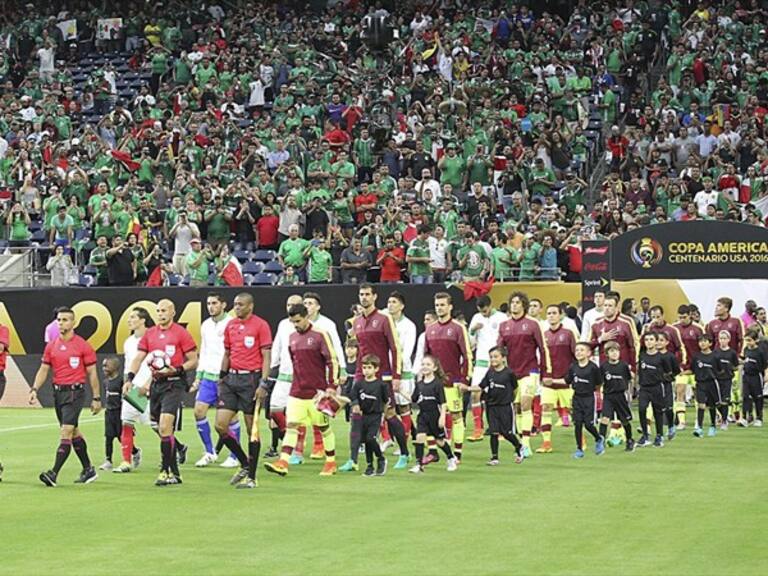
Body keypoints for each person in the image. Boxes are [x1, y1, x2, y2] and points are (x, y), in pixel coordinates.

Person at [125, 299, 198, 486]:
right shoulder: (150, 334)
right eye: (158, 311)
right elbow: (139, 358)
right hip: (156, 384)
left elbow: (193, 360)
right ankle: (174, 472)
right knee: (161, 427)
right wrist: (129, 379)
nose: (160, 314)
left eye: (164, 310)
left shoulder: (181, 333)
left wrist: (176, 369)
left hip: (174, 383)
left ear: (173, 312)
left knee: (165, 426)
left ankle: (165, 471)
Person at [263, 303, 340, 477]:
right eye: (293, 322)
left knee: (323, 428)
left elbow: (332, 361)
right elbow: (294, 361)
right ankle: (283, 462)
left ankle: (331, 462)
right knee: (291, 426)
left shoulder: (321, 335)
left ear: (306, 316)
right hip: (296, 391)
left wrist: (331, 386)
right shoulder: (292, 337)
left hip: (317, 393)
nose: (296, 325)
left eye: (298, 321)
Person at [30, 307, 102, 487]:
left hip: (75, 393)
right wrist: (34, 388)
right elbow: (44, 369)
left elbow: (92, 373)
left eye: (65, 320)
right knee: (74, 432)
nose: (61, 323)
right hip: (58, 393)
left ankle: (53, 474)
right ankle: (88, 470)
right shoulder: (51, 346)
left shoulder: (83, 345)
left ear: (73, 323)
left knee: (66, 432)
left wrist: (96, 398)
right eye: (59, 320)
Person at [348, 284, 410, 469]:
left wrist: (396, 375)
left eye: (367, 294)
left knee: (389, 412)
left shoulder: (384, 319)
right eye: (361, 294)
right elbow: (358, 349)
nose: (364, 297)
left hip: (383, 375)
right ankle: (353, 460)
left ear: (375, 297)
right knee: (356, 413)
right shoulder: (356, 322)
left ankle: (405, 453)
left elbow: (395, 347)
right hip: (361, 374)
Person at [217, 293, 272, 489]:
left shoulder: (261, 325)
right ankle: (245, 463)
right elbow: (227, 353)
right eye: (235, 305)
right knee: (221, 425)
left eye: (240, 305)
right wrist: (221, 377)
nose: (237, 307)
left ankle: (252, 477)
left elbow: (266, 356)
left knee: (252, 429)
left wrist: (263, 383)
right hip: (231, 379)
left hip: (251, 379)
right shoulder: (230, 325)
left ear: (251, 306)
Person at [497, 291, 551, 457]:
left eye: (518, 302)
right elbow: (499, 350)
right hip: (512, 373)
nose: (514, 305)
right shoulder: (504, 326)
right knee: (517, 407)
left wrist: (546, 372)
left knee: (527, 403)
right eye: (512, 302)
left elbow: (543, 348)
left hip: (530, 370)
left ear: (524, 305)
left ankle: (526, 444)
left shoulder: (533, 324)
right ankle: (521, 441)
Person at [190, 293, 239, 468]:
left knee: (229, 418)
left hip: (226, 377)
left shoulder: (232, 323)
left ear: (224, 305)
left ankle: (234, 455)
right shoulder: (205, 325)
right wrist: (198, 375)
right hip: (208, 376)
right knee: (198, 411)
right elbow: (204, 351)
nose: (211, 306)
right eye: (208, 303)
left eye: (214, 303)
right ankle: (210, 452)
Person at [424, 291, 472, 462]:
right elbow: (426, 356)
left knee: (457, 416)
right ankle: (432, 451)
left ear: (450, 307)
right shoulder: (430, 329)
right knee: (428, 416)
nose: (439, 308)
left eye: (443, 305)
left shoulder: (459, 329)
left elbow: (467, 355)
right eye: (437, 305)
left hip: (453, 382)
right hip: (433, 383)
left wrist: (464, 379)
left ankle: (457, 452)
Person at [114, 307, 154, 474]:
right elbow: (128, 365)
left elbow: (159, 363)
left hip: (149, 387)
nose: (129, 320)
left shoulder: (153, 338)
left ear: (143, 320)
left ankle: (176, 449)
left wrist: (149, 383)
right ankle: (126, 461)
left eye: (133, 317)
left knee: (158, 425)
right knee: (126, 422)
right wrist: (126, 383)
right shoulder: (129, 341)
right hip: (133, 387)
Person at [267, 294, 305, 460]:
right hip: (283, 373)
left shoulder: (311, 326)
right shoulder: (283, 324)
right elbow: (277, 346)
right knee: (275, 408)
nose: (290, 307)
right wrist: (271, 367)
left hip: (301, 376)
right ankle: (288, 437)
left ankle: (298, 449)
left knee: (302, 415)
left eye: (294, 304)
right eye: (288, 304)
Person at [474, 346, 524, 466]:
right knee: (494, 432)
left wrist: (510, 400)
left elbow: (515, 389)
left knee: (507, 433)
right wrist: (467, 388)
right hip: (491, 406)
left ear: (503, 358)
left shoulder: (509, 373)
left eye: (496, 357)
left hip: (505, 407)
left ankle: (519, 446)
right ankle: (494, 457)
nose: (493, 359)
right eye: (491, 357)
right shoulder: (490, 372)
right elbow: (481, 386)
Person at [408, 355, 458, 474]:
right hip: (422, 416)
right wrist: (400, 392)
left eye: (428, 365)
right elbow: (413, 399)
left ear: (434, 368)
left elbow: (443, 403)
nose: (425, 367)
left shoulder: (437, 384)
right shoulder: (419, 384)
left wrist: (442, 417)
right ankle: (419, 464)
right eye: (423, 364)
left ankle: (451, 457)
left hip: (435, 416)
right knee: (420, 437)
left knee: (439, 441)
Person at [467, 295, 507, 442]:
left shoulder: (502, 318)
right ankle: (478, 428)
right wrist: (472, 331)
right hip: (481, 361)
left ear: (490, 305)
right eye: (481, 311)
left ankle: (502, 429)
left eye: (485, 310)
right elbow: (470, 342)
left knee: (498, 397)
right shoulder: (476, 318)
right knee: (475, 394)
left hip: (498, 363)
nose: (483, 314)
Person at [540, 304, 579, 453]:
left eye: (554, 313)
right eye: (549, 313)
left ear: (560, 315)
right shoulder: (544, 336)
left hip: (566, 381)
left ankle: (580, 439)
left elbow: (577, 355)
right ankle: (546, 442)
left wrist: (574, 376)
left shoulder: (569, 334)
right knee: (546, 408)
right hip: (549, 380)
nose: (551, 316)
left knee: (574, 411)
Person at [349, 355, 390, 476]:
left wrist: (384, 416)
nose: (366, 370)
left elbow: (386, 401)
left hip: (376, 415)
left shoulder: (381, 385)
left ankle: (380, 458)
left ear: (376, 369)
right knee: (366, 441)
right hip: (363, 416)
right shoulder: (359, 384)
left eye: (369, 367)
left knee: (371, 438)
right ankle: (370, 465)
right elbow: (353, 396)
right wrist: (355, 405)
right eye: (364, 367)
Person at [385, 291, 417, 446]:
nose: (390, 305)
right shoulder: (385, 321)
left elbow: (407, 351)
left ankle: (403, 441)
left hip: (402, 372)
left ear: (402, 306)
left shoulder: (409, 325)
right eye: (389, 302)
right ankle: (387, 439)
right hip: (385, 370)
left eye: (394, 302)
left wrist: (397, 370)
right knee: (385, 407)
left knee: (404, 406)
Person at [565, 342, 605, 459]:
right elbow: (568, 380)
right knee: (577, 424)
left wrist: (595, 393)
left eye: (582, 350)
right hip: (577, 397)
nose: (579, 352)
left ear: (588, 353)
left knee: (588, 424)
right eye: (577, 350)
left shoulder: (593, 367)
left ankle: (598, 438)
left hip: (589, 398)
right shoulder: (573, 367)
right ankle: (579, 449)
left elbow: (598, 383)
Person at [598, 342, 635, 452]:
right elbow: (600, 381)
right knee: (605, 419)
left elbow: (629, 381)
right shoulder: (604, 366)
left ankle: (629, 440)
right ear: (607, 354)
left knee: (624, 420)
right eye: (612, 351)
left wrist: (630, 394)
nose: (614, 353)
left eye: (616, 351)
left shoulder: (623, 366)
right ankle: (600, 441)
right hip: (608, 396)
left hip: (620, 396)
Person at [636, 333, 671, 448]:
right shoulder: (642, 356)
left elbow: (669, 372)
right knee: (641, 409)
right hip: (644, 388)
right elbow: (639, 372)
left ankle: (659, 435)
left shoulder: (661, 357)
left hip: (657, 387)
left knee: (658, 412)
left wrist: (661, 380)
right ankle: (645, 435)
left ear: (656, 342)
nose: (649, 342)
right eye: (646, 339)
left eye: (651, 339)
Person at [673, 305, 703, 430]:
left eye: (684, 317)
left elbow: (704, 347)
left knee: (698, 394)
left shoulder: (698, 329)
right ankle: (681, 422)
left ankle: (698, 420)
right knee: (679, 392)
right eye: (680, 317)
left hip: (696, 367)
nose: (682, 320)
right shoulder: (674, 328)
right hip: (681, 367)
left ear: (690, 315)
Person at [692, 334, 721, 438]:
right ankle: (699, 427)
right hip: (700, 383)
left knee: (712, 406)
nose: (702, 343)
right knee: (701, 405)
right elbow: (693, 369)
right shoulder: (696, 356)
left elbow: (719, 370)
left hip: (712, 383)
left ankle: (713, 426)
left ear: (710, 343)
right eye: (700, 341)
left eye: (705, 341)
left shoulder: (715, 356)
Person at [655, 332, 681, 440]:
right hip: (654, 385)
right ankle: (659, 432)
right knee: (657, 409)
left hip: (666, 385)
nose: (658, 343)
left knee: (668, 408)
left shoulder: (670, 356)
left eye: (661, 340)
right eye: (657, 340)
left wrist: (669, 376)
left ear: (667, 342)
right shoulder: (652, 355)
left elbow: (676, 370)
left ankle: (671, 426)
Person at [99, 357, 123, 471]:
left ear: (115, 367)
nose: (104, 368)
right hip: (109, 412)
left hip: (120, 413)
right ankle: (108, 460)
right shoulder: (106, 382)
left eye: (106, 366)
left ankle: (134, 451)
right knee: (108, 437)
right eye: (103, 366)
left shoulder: (121, 381)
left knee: (121, 437)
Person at [713, 330, 739, 430]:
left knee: (725, 400)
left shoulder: (732, 353)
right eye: (721, 338)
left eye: (724, 338)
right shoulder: (716, 352)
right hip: (717, 379)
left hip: (727, 379)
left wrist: (730, 370)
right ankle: (721, 415)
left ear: (728, 339)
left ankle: (724, 420)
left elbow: (736, 365)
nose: (722, 340)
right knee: (717, 400)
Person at [740, 329, 766, 427]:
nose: (748, 343)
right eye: (746, 340)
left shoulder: (760, 351)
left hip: (756, 376)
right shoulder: (746, 349)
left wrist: (766, 375)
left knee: (758, 397)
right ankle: (746, 418)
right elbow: (744, 359)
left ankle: (759, 418)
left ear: (756, 340)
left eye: (750, 340)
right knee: (746, 397)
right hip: (746, 376)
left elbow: (765, 364)